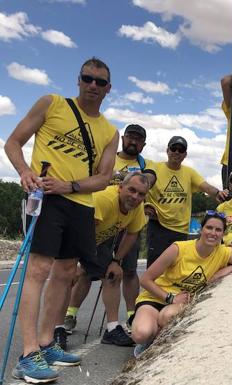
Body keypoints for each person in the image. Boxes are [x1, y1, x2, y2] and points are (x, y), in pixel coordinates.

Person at [4, 57, 119, 383]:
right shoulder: (51, 104)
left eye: (100, 82)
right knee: (39, 269)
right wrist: (25, 172)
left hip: (80, 203)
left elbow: (105, 177)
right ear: (78, 80)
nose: (93, 86)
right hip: (46, 199)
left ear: (108, 89)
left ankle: (46, 341)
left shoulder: (110, 132)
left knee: (67, 272)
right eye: (88, 78)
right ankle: (28, 355)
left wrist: (70, 185)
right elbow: (13, 141)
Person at [64, 123, 155, 336]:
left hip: (124, 219)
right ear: (123, 138)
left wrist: (116, 260)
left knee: (123, 271)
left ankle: (127, 317)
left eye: (138, 139)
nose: (134, 141)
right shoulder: (107, 157)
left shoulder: (145, 165)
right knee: (84, 271)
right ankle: (68, 315)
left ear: (143, 144)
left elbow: (149, 179)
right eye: (130, 137)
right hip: (97, 217)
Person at [131, 210, 232, 357]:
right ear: (201, 229)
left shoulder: (223, 253)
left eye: (218, 230)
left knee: (167, 316)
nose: (213, 233)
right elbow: (145, 279)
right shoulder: (179, 248)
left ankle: (155, 340)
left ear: (223, 234)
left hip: (181, 301)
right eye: (209, 227)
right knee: (141, 334)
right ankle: (148, 335)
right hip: (156, 296)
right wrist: (170, 298)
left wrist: (228, 269)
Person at [62, 173, 148, 348]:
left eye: (141, 194)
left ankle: (111, 329)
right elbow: (81, 232)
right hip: (70, 237)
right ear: (121, 187)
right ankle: (57, 327)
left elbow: (132, 234)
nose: (135, 197)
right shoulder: (105, 199)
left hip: (94, 242)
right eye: (132, 190)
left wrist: (116, 260)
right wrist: (75, 263)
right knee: (65, 278)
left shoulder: (137, 207)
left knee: (112, 274)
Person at [145, 136, 220, 267]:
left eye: (181, 150)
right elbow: (139, 185)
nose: (177, 152)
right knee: (155, 266)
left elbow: (206, 187)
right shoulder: (154, 167)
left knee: (175, 267)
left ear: (185, 155)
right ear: (167, 150)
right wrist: (142, 206)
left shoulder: (189, 172)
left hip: (180, 229)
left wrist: (219, 193)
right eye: (174, 148)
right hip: (158, 226)